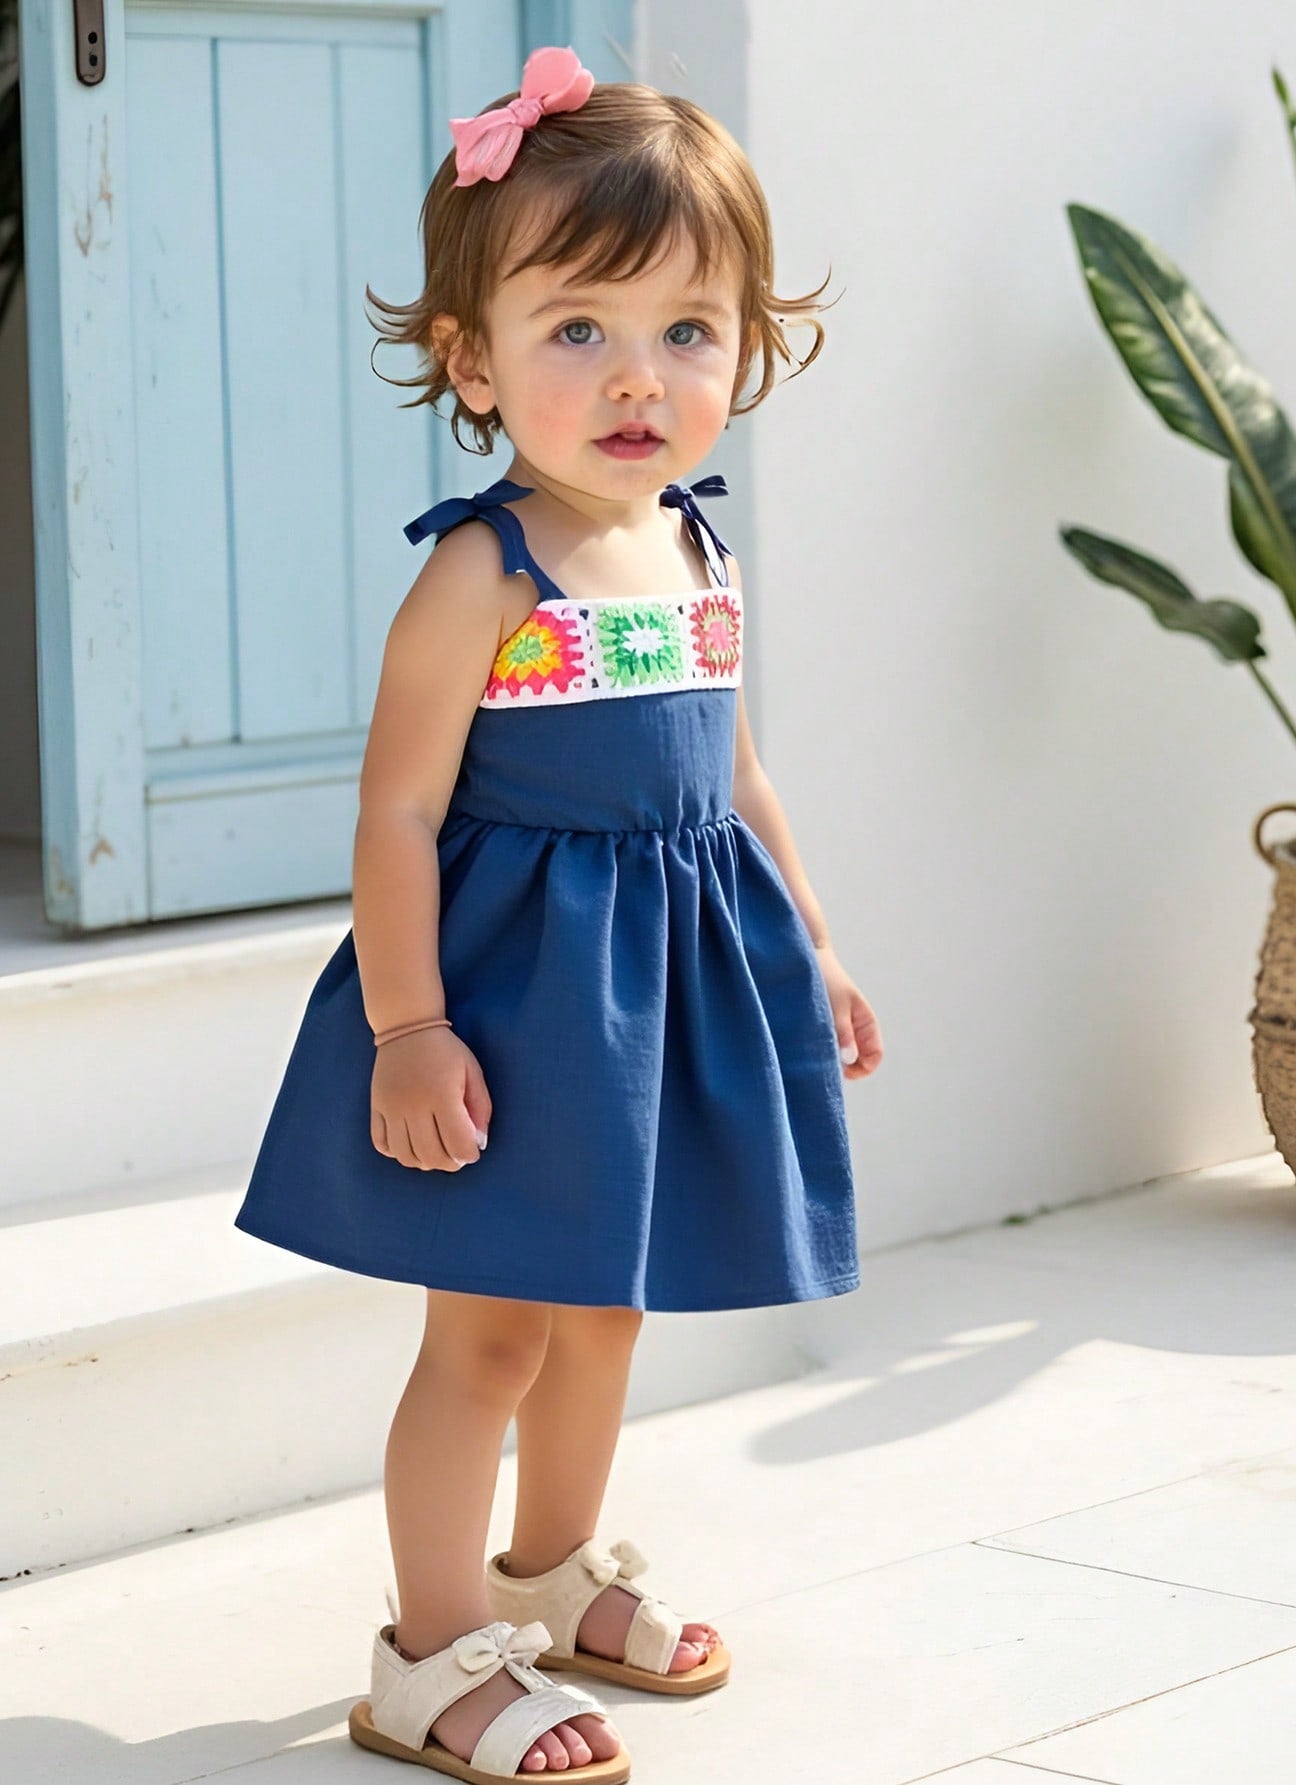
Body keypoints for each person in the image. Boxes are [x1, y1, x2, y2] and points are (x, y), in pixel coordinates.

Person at [233, 43, 883, 1782]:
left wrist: (813, 944)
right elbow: (396, 808)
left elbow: (736, 775)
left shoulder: (700, 550)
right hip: (518, 1010)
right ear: (474, 359)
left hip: (655, 1003)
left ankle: (555, 1567)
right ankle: (428, 1652)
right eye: (578, 327)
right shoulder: (482, 571)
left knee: (609, 1305)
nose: (638, 376)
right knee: (491, 1330)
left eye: (689, 328)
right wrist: (408, 1024)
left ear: (749, 344)